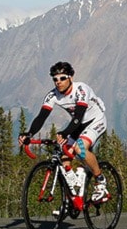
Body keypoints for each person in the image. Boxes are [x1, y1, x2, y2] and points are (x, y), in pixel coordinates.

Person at [18, 61, 109, 202]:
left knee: (80, 148)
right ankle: (73, 199)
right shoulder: (53, 95)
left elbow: (78, 116)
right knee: (65, 161)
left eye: (62, 78)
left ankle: (100, 180)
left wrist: (65, 133)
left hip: (95, 121)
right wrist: (29, 134)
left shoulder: (81, 90)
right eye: (55, 79)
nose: (58, 82)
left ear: (70, 77)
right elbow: (42, 117)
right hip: (78, 125)